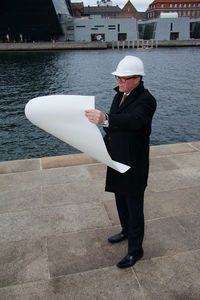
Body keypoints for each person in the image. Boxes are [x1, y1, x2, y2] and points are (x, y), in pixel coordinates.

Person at [85, 55, 156, 268]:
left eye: (124, 79)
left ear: (138, 79)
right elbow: (115, 124)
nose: (119, 82)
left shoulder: (147, 100)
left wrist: (106, 118)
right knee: (120, 201)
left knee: (134, 207)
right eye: (118, 78)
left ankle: (136, 250)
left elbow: (134, 121)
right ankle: (125, 231)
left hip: (134, 162)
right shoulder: (120, 94)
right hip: (116, 158)